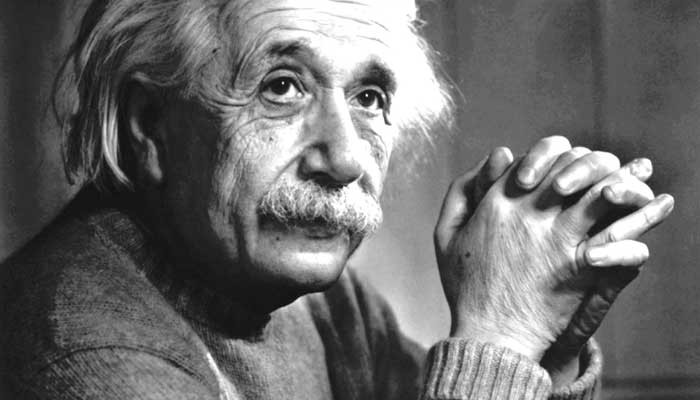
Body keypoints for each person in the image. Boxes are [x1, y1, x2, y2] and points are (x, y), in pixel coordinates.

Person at [0, 0, 674, 399]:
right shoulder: (83, 358)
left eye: (369, 97)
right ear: (150, 124)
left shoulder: (329, 306)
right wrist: (497, 333)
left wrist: (544, 350)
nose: (346, 159)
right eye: (282, 86)